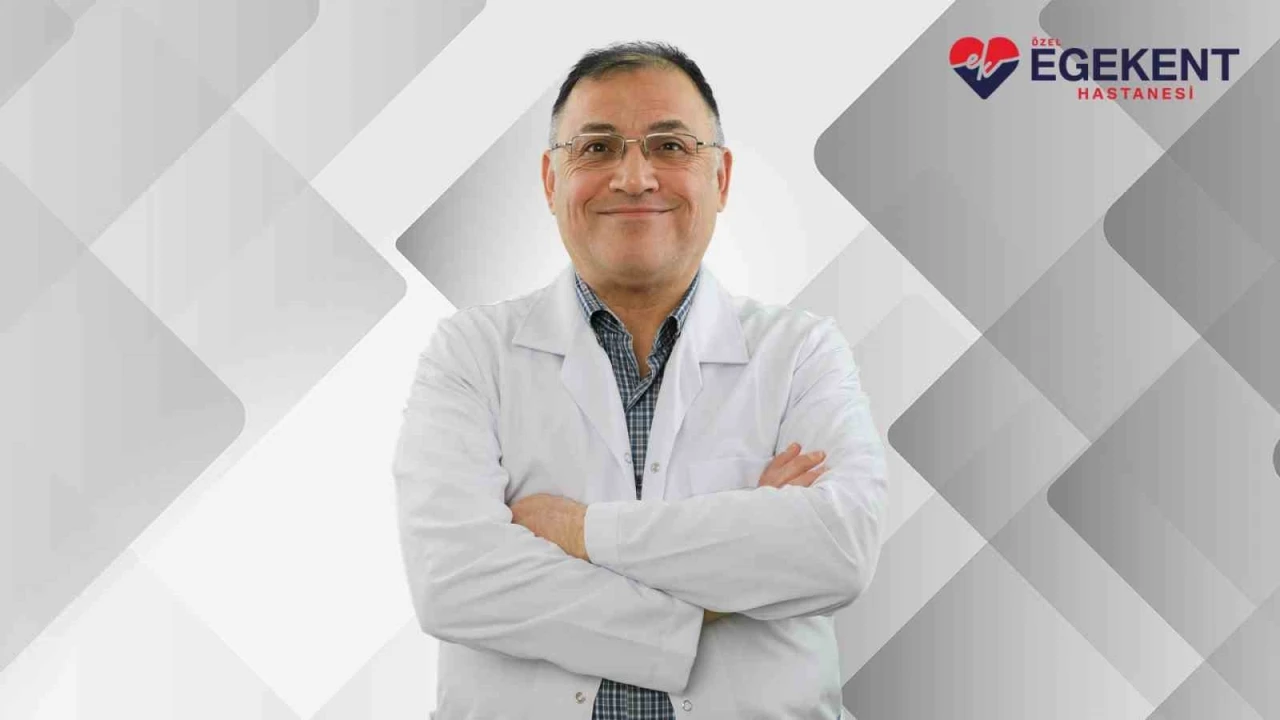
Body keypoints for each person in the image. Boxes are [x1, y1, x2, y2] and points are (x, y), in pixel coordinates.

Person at [393, 41, 888, 720]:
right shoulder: (471, 354)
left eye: (670, 146)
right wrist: (728, 578)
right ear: (550, 180)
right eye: (596, 148)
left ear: (721, 177)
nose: (634, 177)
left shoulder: (802, 352)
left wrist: (578, 531)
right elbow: (453, 582)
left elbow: (839, 549)